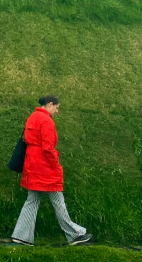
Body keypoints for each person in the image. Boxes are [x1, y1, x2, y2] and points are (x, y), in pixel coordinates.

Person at [11, 95, 92, 246]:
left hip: (32, 163)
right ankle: (74, 235)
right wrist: (56, 164)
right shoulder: (46, 121)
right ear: (50, 104)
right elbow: (48, 148)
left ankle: (21, 236)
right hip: (45, 166)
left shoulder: (32, 117)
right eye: (56, 107)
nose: (57, 111)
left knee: (32, 199)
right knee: (57, 200)